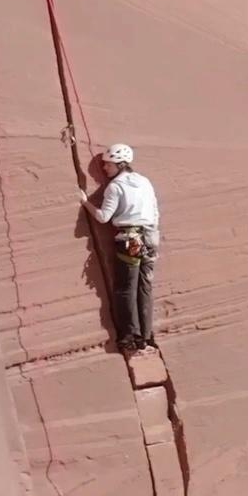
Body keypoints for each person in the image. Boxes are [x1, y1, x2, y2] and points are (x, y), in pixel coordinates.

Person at [85, 143, 160, 352]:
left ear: (120, 164)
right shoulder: (144, 181)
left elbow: (103, 217)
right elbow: (154, 210)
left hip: (130, 240)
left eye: (108, 165)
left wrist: (85, 202)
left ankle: (130, 336)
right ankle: (146, 335)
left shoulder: (115, 187)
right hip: (151, 236)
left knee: (126, 288)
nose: (105, 168)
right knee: (145, 286)